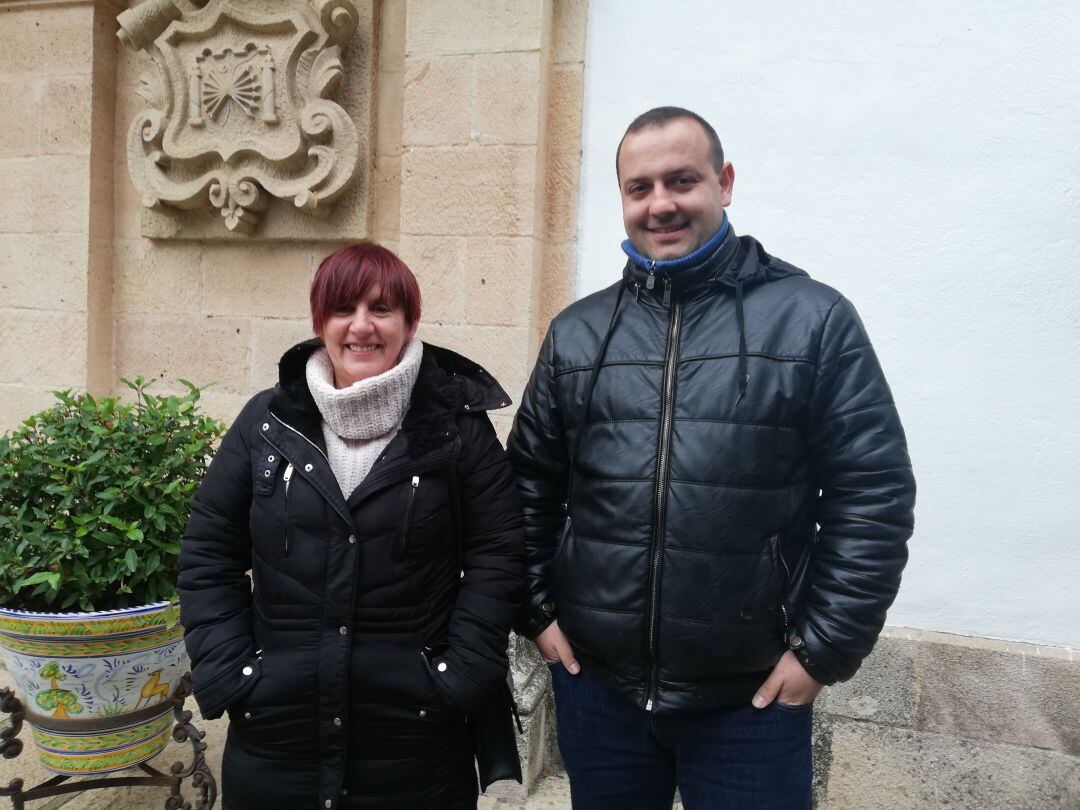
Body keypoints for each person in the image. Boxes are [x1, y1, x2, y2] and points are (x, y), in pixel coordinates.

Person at [508, 107, 916, 808]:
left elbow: (872, 496)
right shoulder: (577, 335)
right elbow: (524, 491)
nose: (660, 203)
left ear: (723, 184)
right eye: (640, 188)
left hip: (749, 706)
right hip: (600, 695)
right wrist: (539, 614)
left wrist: (821, 654)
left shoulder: (811, 320)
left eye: (681, 180)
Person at [179, 242, 525, 809]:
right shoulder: (265, 423)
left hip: (415, 735)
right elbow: (208, 552)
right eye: (344, 308)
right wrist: (231, 671)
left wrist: (459, 671)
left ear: (410, 322)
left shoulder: (456, 430)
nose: (361, 326)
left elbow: (498, 551)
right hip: (278, 730)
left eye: (382, 309)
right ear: (320, 322)